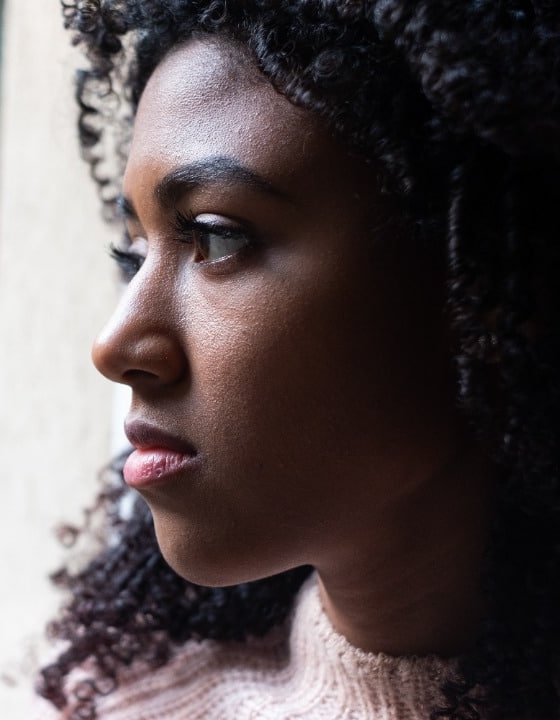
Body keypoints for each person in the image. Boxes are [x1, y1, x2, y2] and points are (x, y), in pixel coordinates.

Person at [36, 1, 560, 718]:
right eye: (134, 255)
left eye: (216, 239)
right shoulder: (129, 703)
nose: (117, 345)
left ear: (483, 282)